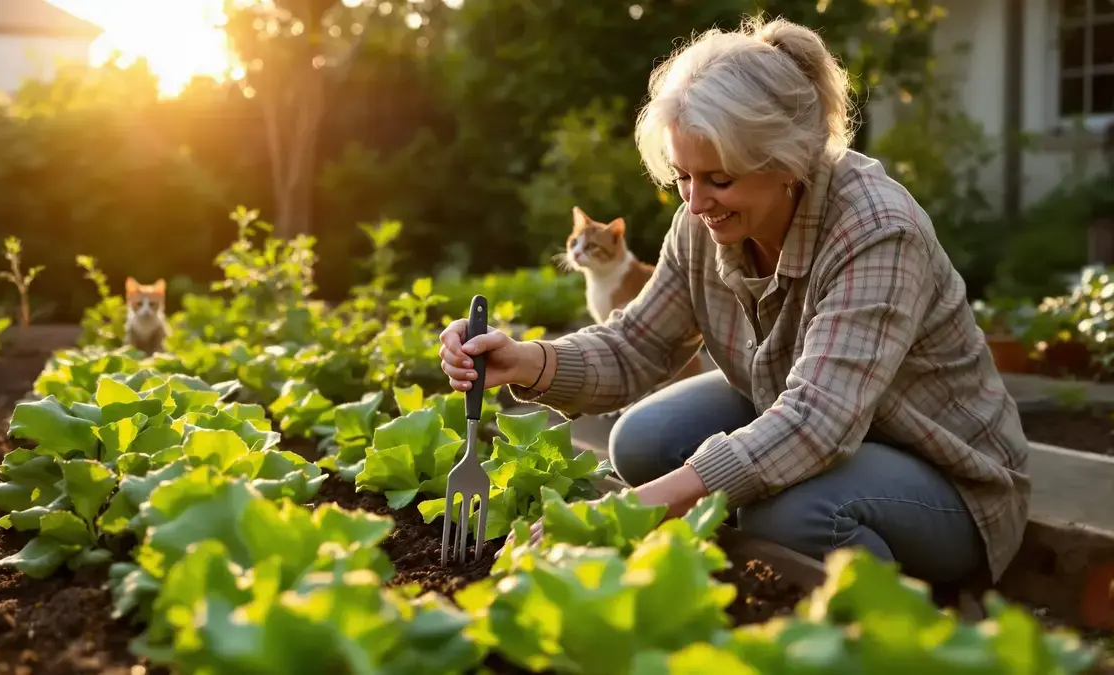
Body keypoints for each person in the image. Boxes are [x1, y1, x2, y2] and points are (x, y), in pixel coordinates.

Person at [438, 16, 1029, 587]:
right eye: (682, 177)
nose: (695, 203)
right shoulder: (702, 223)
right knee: (644, 442)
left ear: (786, 162)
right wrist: (528, 361)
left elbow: (817, 421)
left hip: (941, 475)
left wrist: (630, 511)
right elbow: (637, 344)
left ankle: (896, 628)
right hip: (811, 418)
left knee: (790, 515)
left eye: (719, 179)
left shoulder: (876, 230)